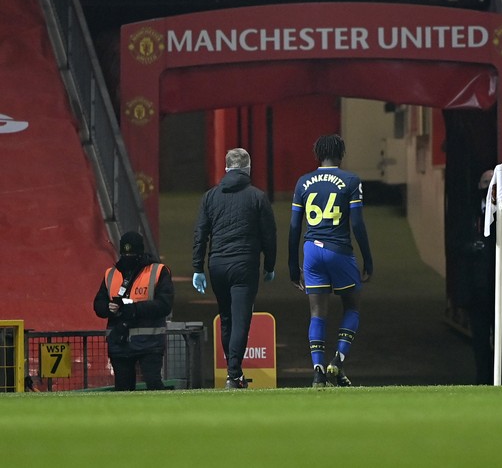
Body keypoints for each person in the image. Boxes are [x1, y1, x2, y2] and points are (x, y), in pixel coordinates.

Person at [288, 134, 374, 388]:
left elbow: (294, 226)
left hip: (311, 251)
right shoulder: (350, 180)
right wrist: (367, 259)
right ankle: (337, 359)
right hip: (339, 251)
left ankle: (317, 372)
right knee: (352, 307)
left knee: (317, 313)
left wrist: (293, 266)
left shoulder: (302, 182)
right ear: (341, 154)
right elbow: (357, 223)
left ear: (317, 154)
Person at [192, 148, 277, 389]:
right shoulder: (258, 197)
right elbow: (269, 235)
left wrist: (198, 267)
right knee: (241, 319)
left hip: (217, 265)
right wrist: (269, 265)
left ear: (226, 169)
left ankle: (234, 372)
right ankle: (233, 374)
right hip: (244, 265)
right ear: (248, 169)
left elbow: (200, 233)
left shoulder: (209, 197)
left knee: (226, 318)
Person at [457, 169, 502, 385]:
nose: (487, 187)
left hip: (500, 290)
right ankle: (483, 380)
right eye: (485, 182)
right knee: (480, 340)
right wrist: (470, 248)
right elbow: (457, 244)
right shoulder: (469, 216)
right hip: (476, 290)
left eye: (492, 183)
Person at [94, 231, 174, 391]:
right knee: (123, 389)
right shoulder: (111, 274)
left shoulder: (158, 272)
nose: (128, 257)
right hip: (120, 342)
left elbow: (164, 305)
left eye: (131, 253)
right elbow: (98, 304)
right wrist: (108, 307)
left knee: (153, 384)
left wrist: (135, 309)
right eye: (125, 253)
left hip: (149, 343)